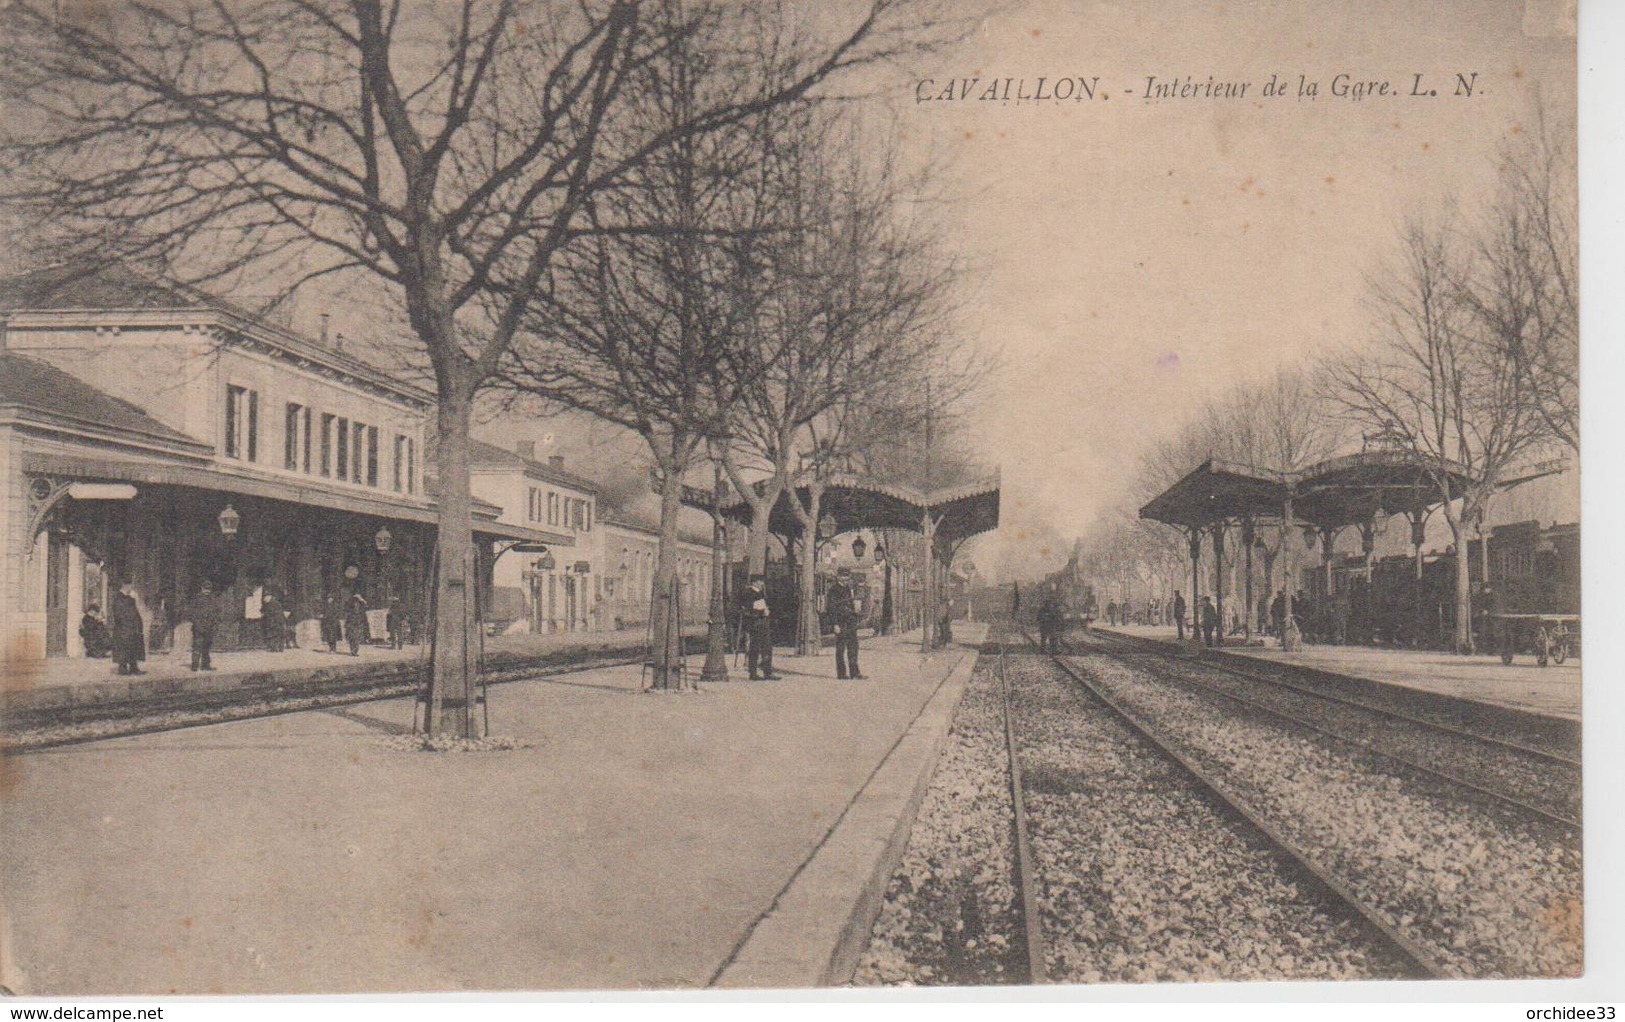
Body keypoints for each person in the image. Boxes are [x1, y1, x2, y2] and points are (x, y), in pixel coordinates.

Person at [826, 568, 864, 680]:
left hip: (850, 621)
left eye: (847, 576)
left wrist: (856, 612)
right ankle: (841, 673)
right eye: (843, 576)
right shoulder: (833, 590)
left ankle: (854, 673)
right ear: (838, 577)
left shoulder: (849, 589)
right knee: (841, 648)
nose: (845, 579)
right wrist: (835, 624)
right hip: (841, 622)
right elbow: (831, 608)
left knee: (853, 647)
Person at [737, 575, 777, 680]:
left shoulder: (761, 593)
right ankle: (753, 673)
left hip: (763, 622)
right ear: (754, 582)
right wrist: (761, 611)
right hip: (755, 623)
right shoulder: (748, 593)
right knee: (755, 648)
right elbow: (747, 608)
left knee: (767, 647)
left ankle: (767, 672)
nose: (762, 584)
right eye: (760, 582)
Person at [109, 579, 145, 675]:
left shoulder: (130, 598)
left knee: (133, 646)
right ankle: (122, 668)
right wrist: (127, 623)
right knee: (123, 647)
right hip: (123, 627)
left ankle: (134, 667)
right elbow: (118, 614)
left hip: (132, 627)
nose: (131, 588)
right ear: (125, 585)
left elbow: (135, 611)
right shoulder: (118, 597)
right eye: (130, 586)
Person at [187, 580, 219, 671]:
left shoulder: (213, 599)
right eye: (206, 588)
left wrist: (214, 626)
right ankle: (195, 665)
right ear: (202, 588)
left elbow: (216, 613)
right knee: (197, 646)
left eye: (209, 589)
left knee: (206, 647)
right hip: (199, 628)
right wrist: (197, 625)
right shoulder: (197, 599)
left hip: (210, 628)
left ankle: (205, 665)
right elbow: (192, 614)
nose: (207, 591)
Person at [344, 590, 370, 655]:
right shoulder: (350, 602)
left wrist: (362, 600)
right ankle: (353, 651)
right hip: (352, 622)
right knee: (353, 637)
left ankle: (354, 651)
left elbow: (366, 606)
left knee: (356, 637)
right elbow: (346, 609)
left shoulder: (360, 603)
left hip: (357, 622)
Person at [261, 586, 285, 652]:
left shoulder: (272, 604)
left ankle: (275, 648)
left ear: (270, 597)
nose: (264, 599)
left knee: (274, 634)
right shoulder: (271, 603)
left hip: (274, 621)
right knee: (277, 634)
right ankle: (279, 648)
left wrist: (264, 614)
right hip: (277, 621)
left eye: (265, 597)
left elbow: (270, 613)